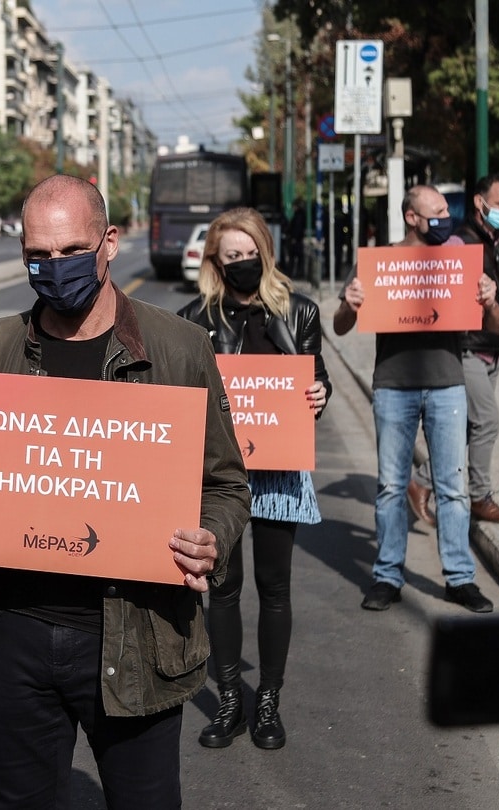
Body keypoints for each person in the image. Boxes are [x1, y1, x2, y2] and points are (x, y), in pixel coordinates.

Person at [0, 175, 252, 809]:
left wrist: (213, 539)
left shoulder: (179, 349)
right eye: (37, 254)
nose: (53, 267)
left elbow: (227, 483)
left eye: (70, 251)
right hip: (15, 636)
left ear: (109, 242)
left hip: (138, 639)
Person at [177, 208, 331, 751]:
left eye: (250, 254)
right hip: (219, 475)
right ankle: (228, 700)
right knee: (221, 587)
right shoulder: (195, 318)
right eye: (231, 257)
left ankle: (268, 699)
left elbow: (318, 380)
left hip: (280, 470)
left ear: (265, 253)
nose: (242, 264)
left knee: (274, 588)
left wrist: (320, 395)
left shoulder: (300, 313)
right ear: (216, 263)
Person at [333, 184, 499, 614]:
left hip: (448, 384)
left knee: (452, 487)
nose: (447, 217)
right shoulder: (379, 262)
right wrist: (351, 304)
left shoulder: (459, 261)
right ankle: (387, 575)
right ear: (412, 217)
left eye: (448, 210)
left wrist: (488, 301)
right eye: (437, 211)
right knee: (391, 487)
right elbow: (338, 326)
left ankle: (460, 578)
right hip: (393, 386)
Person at [409, 174, 499, 525]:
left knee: (472, 427)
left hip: (491, 348)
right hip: (469, 346)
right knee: (486, 421)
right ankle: (479, 495)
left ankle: (422, 482)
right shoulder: (461, 242)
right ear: (479, 203)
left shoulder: (495, 240)